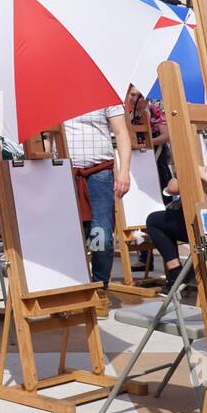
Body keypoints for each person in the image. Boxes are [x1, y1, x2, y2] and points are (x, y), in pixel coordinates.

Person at [63, 104, 131, 306]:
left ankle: (100, 287)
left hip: (99, 173)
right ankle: (75, 289)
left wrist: (124, 171)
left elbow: (121, 133)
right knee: (71, 237)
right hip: (66, 172)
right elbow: (48, 138)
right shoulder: (57, 91)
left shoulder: (106, 92)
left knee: (100, 235)